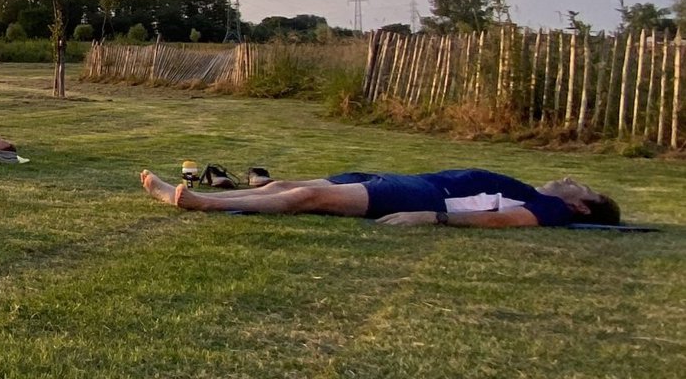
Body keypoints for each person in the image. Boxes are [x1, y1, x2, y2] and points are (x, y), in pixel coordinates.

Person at [139, 167, 620, 227]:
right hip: (410, 179)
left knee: (308, 195)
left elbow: (513, 223)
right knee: (282, 185)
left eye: (583, 187)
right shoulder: (537, 192)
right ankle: (228, 194)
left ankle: (201, 203)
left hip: (426, 193)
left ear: (581, 206)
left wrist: (431, 219)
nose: (571, 179)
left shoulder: (552, 208)